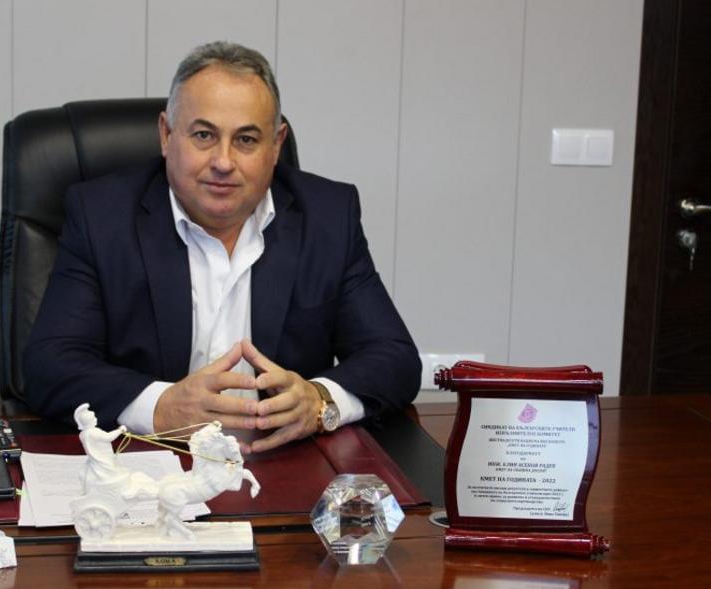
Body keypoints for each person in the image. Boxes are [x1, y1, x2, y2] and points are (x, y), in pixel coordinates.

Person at [24, 41, 420, 454]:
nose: (224, 162)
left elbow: (394, 358)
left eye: (246, 139)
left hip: (282, 461)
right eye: (204, 135)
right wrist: (161, 406)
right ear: (166, 134)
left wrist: (320, 402)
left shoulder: (328, 217)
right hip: (150, 461)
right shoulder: (101, 217)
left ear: (276, 145)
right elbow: (50, 366)